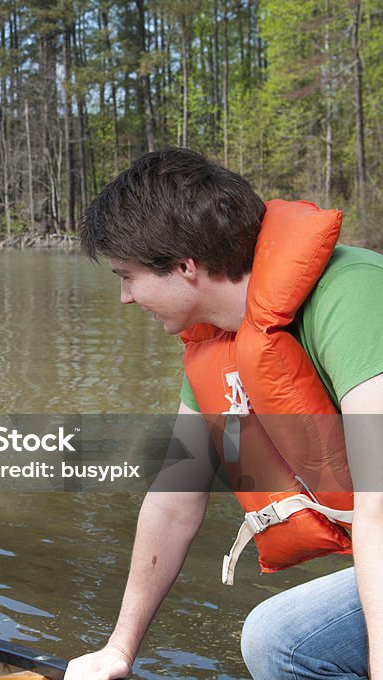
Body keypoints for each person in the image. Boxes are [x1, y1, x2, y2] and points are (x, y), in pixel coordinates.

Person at [66, 148, 383, 680]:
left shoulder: (354, 297)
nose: (124, 297)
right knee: (278, 639)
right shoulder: (219, 346)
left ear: (185, 266)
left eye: (128, 276)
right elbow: (172, 504)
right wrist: (118, 650)